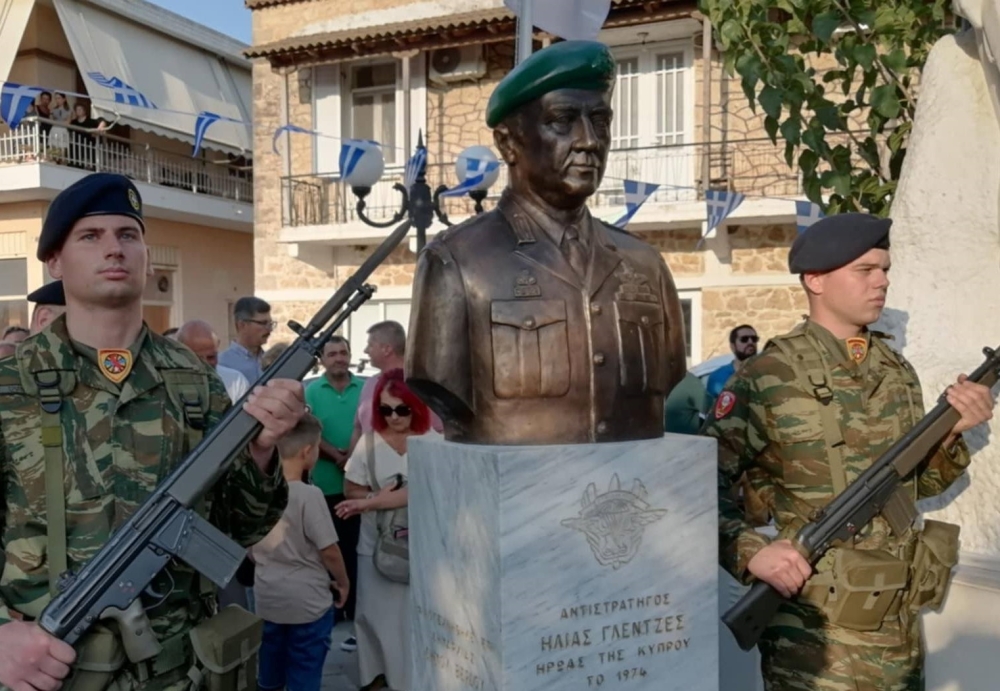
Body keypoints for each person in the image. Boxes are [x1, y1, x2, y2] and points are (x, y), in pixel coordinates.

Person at [0, 172, 304, 691]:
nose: (113, 249)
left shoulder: (195, 381)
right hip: (48, 671)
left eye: (128, 234)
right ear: (55, 261)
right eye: (90, 236)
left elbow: (239, 528)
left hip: (181, 673)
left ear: (145, 255)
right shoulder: (12, 385)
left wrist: (260, 451)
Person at [702, 213, 996, 690]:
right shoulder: (769, 375)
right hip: (814, 643)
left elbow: (916, 486)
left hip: (896, 629)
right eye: (865, 270)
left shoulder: (896, 371)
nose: (882, 282)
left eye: (885, 270)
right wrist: (750, 551)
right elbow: (697, 483)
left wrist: (952, 433)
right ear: (815, 280)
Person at [405, 39, 687, 445]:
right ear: (508, 144)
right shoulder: (457, 261)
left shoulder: (644, 263)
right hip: (509, 474)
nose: (589, 141)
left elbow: (670, 371)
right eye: (563, 120)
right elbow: (439, 381)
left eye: (600, 121)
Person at [337, 369, 439, 691]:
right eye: (385, 409)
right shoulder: (368, 444)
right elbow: (350, 489)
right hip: (375, 545)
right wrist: (374, 498)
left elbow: (436, 491)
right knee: (374, 616)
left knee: (413, 618)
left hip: (422, 545)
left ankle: (413, 678)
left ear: (416, 407)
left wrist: (374, 502)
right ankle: (375, 676)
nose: (393, 417)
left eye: (401, 409)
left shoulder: (434, 443)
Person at [250, 413, 349, 691]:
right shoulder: (308, 495)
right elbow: (329, 550)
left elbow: (248, 545)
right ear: (307, 451)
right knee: (305, 668)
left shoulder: (257, 492)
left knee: (269, 666)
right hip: (308, 602)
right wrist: (343, 582)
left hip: (268, 598)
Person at [305, 337, 364, 629]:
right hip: (326, 485)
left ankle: (357, 606)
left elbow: (370, 426)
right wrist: (338, 457)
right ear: (322, 360)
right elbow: (310, 431)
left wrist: (352, 457)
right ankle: (336, 605)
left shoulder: (364, 388)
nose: (339, 358)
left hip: (360, 486)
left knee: (357, 547)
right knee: (330, 547)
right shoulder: (311, 391)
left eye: (343, 353)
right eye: (332, 354)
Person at [219, 296, 274, 385]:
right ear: (242, 325)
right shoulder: (222, 364)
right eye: (263, 323)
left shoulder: (272, 360)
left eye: (270, 323)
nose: (270, 329)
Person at [705, 324, 758, 401]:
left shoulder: (766, 373)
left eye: (754, 339)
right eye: (744, 339)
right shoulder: (718, 377)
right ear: (733, 346)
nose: (750, 342)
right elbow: (711, 407)